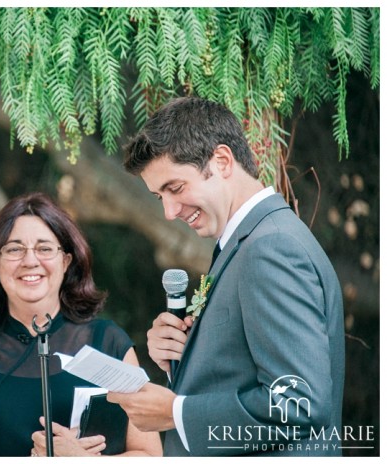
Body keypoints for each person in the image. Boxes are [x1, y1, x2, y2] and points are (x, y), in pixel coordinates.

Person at [106, 97, 345, 456]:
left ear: (221, 161)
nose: (169, 211)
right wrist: (185, 356)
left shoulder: (271, 247)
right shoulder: (247, 242)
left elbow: (299, 402)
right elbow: (243, 372)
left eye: (176, 188)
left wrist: (175, 413)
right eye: (159, 197)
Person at [0, 192, 162, 457]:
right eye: (15, 249)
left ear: (66, 261)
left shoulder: (109, 342)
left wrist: (81, 459)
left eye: (44, 248)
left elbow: (151, 456)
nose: (30, 261)